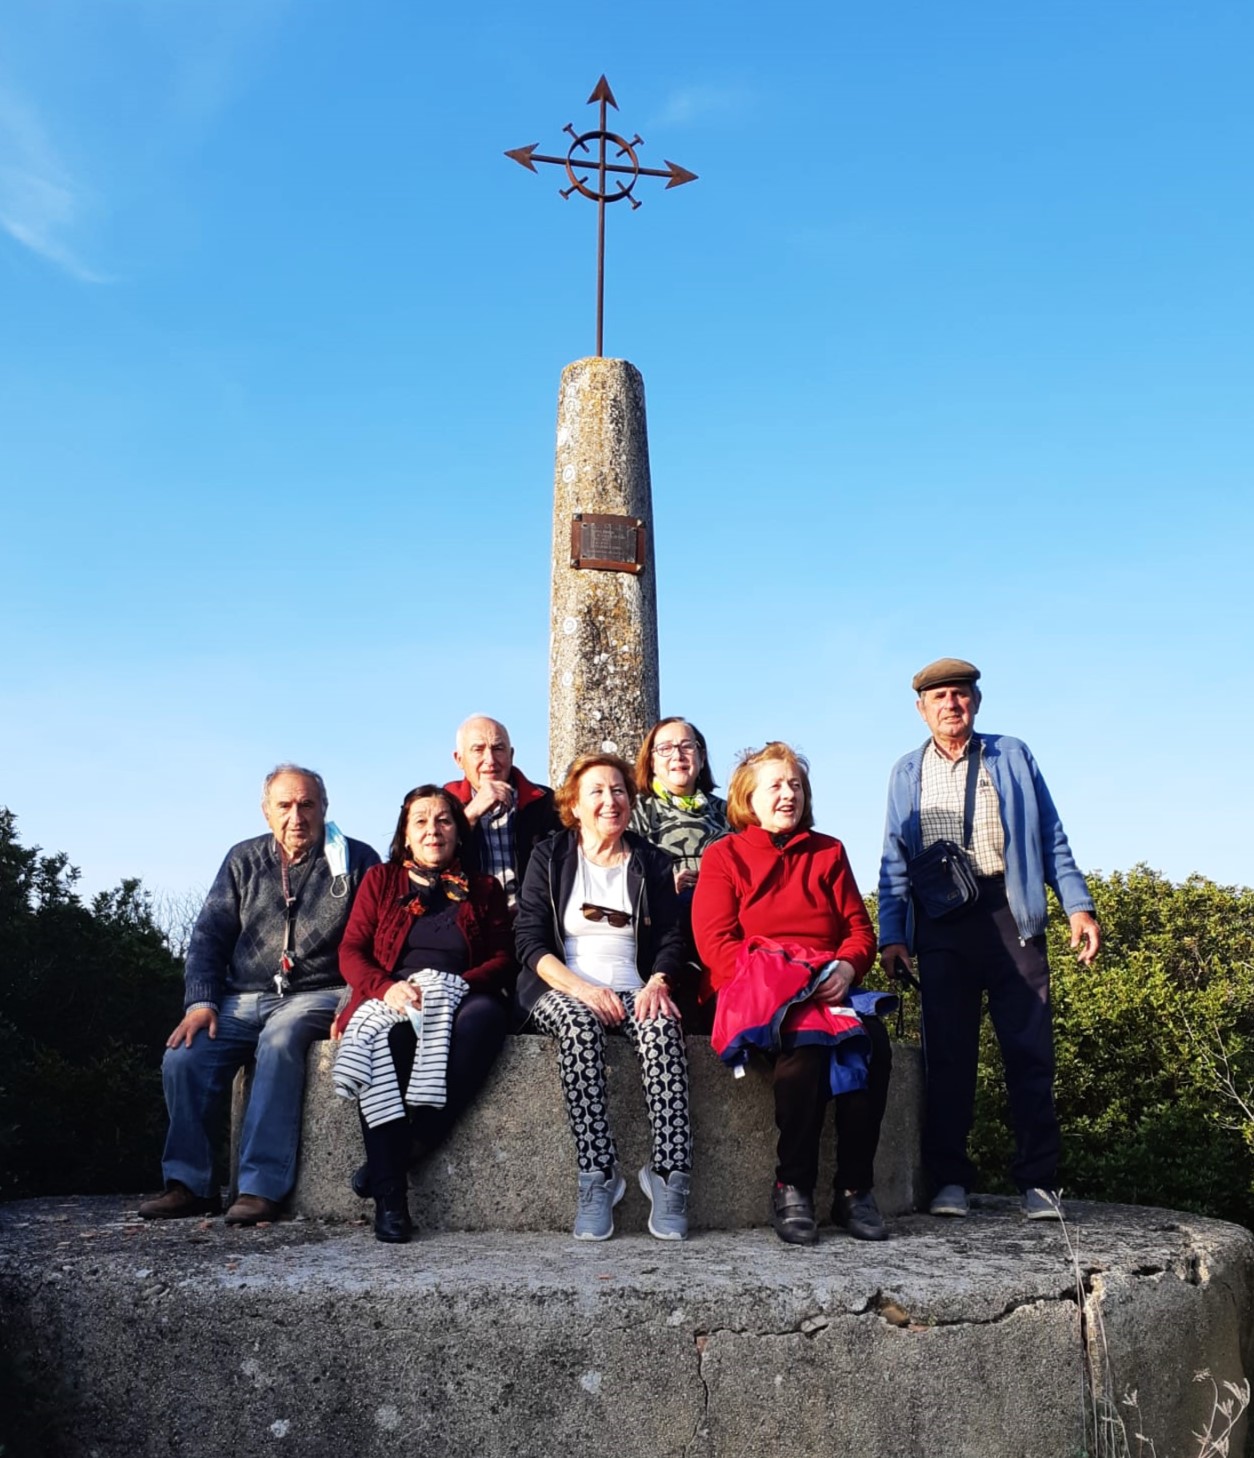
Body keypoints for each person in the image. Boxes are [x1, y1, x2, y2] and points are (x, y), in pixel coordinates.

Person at [877, 657, 1101, 1221]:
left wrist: (1077, 905)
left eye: (960, 694)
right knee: (948, 1055)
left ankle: (1039, 1182)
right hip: (942, 919)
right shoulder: (906, 771)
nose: (951, 704)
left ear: (976, 701)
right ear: (921, 708)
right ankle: (950, 1180)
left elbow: (1051, 835)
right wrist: (892, 935)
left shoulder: (1012, 754)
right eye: (940, 697)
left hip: (1010, 909)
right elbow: (893, 861)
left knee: (1029, 1051)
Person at [139, 765, 379, 1225]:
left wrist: (353, 1001)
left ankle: (259, 1188)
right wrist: (201, 1002)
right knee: (184, 1056)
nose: (297, 816)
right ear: (267, 812)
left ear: (324, 809)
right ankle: (190, 1184)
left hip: (319, 992)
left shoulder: (356, 860)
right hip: (242, 996)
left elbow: (370, 942)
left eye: (307, 804)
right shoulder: (242, 860)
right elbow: (208, 937)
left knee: (279, 1039)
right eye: (285, 805)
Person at [692, 742, 892, 1245]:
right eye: (776, 785)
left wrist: (847, 967)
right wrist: (791, 985)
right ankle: (792, 1184)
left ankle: (854, 1190)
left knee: (872, 1043)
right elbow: (718, 945)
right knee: (804, 1048)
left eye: (796, 785)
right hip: (758, 991)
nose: (789, 794)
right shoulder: (725, 856)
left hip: (829, 985)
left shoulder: (828, 851)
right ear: (748, 799)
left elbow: (858, 931)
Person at [513, 752, 693, 1241]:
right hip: (563, 985)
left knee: (661, 1026)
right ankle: (598, 1176)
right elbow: (529, 942)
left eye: (618, 791)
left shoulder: (651, 861)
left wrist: (658, 982)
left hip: (635, 985)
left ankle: (670, 1175)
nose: (609, 801)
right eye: (596, 791)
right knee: (578, 1026)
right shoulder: (549, 857)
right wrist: (583, 990)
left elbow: (673, 938)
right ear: (574, 804)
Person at [332, 785, 514, 1243]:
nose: (433, 830)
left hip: (460, 992)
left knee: (486, 1018)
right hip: (393, 994)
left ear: (458, 831)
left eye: (445, 820)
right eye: (421, 821)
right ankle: (391, 1199)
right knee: (383, 1046)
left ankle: (413, 1144)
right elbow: (352, 951)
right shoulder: (380, 880)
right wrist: (388, 988)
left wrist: (454, 986)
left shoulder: (483, 888)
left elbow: (502, 956)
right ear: (406, 835)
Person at [630, 716, 729, 1029]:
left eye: (687, 746)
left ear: (701, 757)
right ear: (651, 762)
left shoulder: (728, 812)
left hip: (723, 911)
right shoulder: (640, 811)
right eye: (666, 748)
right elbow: (627, 869)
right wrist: (663, 883)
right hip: (669, 913)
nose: (678, 755)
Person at [445, 715, 559, 910]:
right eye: (478, 750)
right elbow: (421, 863)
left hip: (531, 920)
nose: (490, 760)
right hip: (467, 920)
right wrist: (469, 816)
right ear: (459, 759)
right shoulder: (443, 805)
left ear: (511, 755)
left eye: (498, 749)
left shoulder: (546, 802)